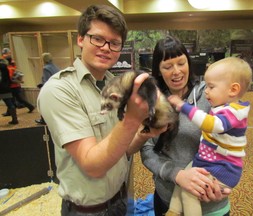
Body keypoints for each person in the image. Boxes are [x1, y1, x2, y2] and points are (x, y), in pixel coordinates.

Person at [37, 5, 166, 216]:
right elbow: (93, 165)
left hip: (121, 201)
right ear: (81, 39)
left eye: (114, 43)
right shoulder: (59, 89)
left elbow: (120, 149)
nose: (106, 48)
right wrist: (132, 118)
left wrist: (145, 134)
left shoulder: (112, 85)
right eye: (97, 39)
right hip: (88, 211)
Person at [140, 35, 231, 216]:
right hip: (168, 198)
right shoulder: (152, 102)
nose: (176, 71)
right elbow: (147, 150)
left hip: (210, 200)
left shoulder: (210, 95)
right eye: (167, 66)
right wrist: (177, 175)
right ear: (158, 70)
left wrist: (225, 179)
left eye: (181, 63)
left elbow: (233, 137)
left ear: (189, 63)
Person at [166, 57, 252, 216]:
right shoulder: (222, 106)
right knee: (184, 177)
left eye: (211, 87)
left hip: (222, 169)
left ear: (233, 90)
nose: (206, 91)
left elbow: (211, 124)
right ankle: (173, 210)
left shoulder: (234, 112)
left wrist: (183, 106)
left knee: (189, 191)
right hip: (206, 163)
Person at [2, 48, 35, 116]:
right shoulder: (12, 64)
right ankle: (9, 112)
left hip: (12, 86)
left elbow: (10, 77)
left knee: (14, 99)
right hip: (15, 85)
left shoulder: (8, 67)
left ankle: (30, 107)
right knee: (13, 99)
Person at [35, 52, 60, 124]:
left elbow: (46, 81)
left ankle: (44, 120)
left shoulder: (46, 68)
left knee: (43, 105)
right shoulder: (55, 66)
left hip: (49, 89)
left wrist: (41, 85)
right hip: (57, 87)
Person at [0, 58, 18, 124]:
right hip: (7, 88)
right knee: (10, 104)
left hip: (1, 88)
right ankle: (14, 119)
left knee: (9, 103)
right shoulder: (6, 68)